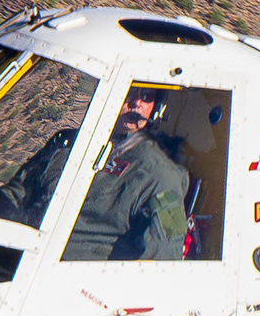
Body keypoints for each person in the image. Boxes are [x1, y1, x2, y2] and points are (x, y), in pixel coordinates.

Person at [63, 83, 191, 262]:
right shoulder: (67, 144)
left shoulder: (161, 175)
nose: (137, 103)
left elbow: (166, 254)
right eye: (131, 92)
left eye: (147, 96)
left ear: (156, 107)